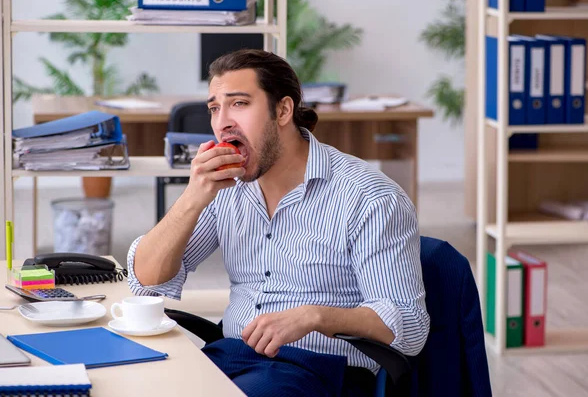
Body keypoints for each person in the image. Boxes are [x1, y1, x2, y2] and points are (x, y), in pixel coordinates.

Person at [127, 49, 430, 397]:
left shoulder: (370, 198)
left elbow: (412, 326)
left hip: (321, 370)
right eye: (214, 108)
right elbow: (145, 283)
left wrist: (317, 317)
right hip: (231, 357)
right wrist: (193, 197)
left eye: (239, 103)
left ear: (283, 110)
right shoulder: (225, 187)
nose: (222, 121)